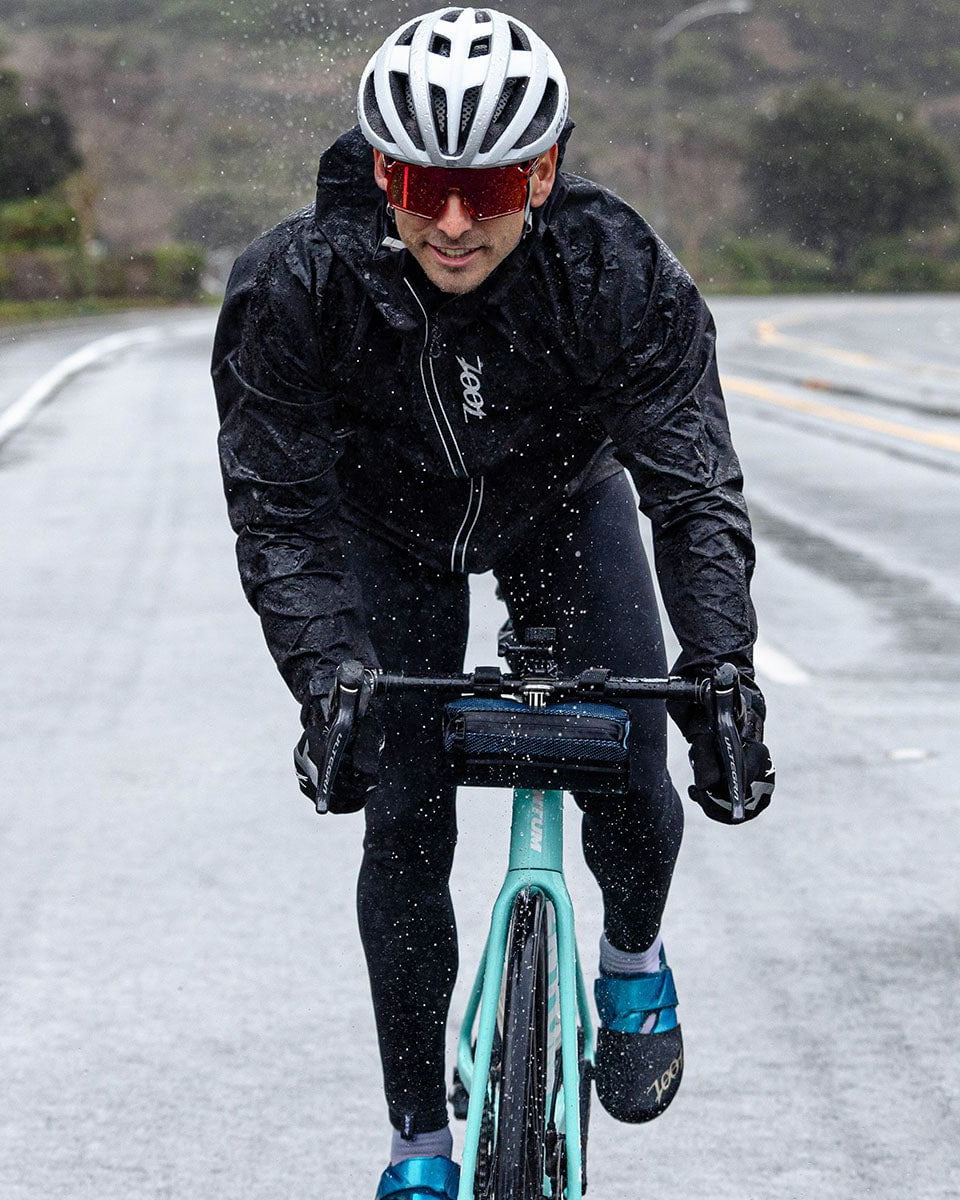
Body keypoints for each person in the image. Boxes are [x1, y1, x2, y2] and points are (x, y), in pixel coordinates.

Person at [212, 8, 775, 1198]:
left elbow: (692, 484)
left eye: (493, 186)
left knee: (631, 758)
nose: (454, 222)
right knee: (404, 815)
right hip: (385, 528)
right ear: (380, 168)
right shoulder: (295, 284)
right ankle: (419, 1146)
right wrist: (326, 679)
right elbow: (278, 507)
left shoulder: (616, 269)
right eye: (421, 183)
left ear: (548, 169)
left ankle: (632, 958)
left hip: (561, 507)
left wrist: (723, 664)